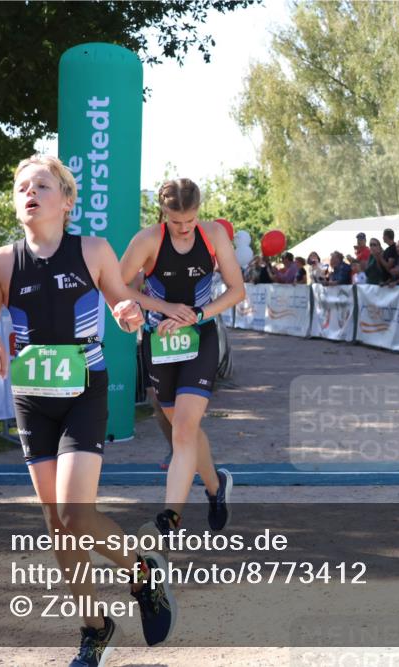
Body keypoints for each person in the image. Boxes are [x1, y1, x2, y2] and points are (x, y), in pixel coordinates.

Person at [0, 155, 155, 666]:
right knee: (57, 524)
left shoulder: (93, 250)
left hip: (83, 394)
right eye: (22, 186)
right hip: (32, 401)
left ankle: (141, 571)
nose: (30, 192)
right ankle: (95, 629)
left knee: (76, 513)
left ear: (66, 202)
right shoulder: (1, 263)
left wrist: (125, 311)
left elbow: (121, 303)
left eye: (42, 185)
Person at [118, 178, 245, 597]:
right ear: (163, 215)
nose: (185, 228)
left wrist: (198, 313)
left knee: (186, 429)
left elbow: (237, 290)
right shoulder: (147, 240)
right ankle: (215, 486)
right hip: (159, 342)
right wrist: (157, 309)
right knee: (180, 429)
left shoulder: (214, 235)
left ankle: (170, 516)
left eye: (190, 220)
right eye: (177, 222)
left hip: (201, 335)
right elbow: (118, 287)